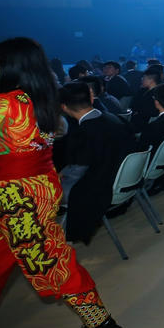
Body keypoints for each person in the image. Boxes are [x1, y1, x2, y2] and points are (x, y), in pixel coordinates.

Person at [0, 37, 123, 328]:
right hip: (32, 189)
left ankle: (101, 323)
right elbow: (4, 145)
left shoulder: (3, 104)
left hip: (17, 198)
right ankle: (100, 322)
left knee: (49, 260)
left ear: (11, 65)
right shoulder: (36, 100)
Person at [57, 83, 135, 244]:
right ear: (91, 99)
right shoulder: (116, 119)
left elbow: (76, 172)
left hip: (100, 186)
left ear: (63, 107)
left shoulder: (82, 133)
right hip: (124, 178)